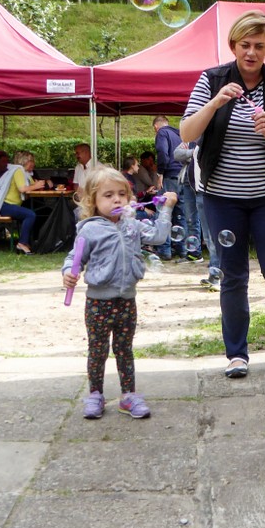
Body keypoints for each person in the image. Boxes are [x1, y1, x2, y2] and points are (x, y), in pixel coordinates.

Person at [179, 9, 265, 378]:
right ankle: (236, 355)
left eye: (259, 45)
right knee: (233, 275)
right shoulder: (212, 79)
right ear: (234, 46)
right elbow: (187, 133)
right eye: (245, 45)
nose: (251, 52)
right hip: (222, 198)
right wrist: (215, 102)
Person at [62, 168, 177, 420]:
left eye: (122, 194)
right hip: (98, 302)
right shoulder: (89, 230)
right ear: (93, 200)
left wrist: (166, 209)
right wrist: (68, 272)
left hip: (126, 301)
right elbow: (75, 257)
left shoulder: (132, 225)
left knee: (125, 349)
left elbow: (159, 236)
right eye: (108, 195)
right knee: (98, 350)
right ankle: (95, 394)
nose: (117, 199)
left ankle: (128, 396)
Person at [0, 151, 47, 255]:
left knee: (30, 214)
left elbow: (33, 187)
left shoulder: (26, 174)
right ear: (24, 161)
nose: (33, 164)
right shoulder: (18, 171)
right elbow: (22, 189)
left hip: (11, 205)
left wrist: (40, 184)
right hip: (6, 205)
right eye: (31, 161)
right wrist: (36, 186)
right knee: (30, 214)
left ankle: (26, 242)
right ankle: (22, 243)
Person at [154, 116, 185, 260]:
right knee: (181, 214)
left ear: (156, 127)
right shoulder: (178, 134)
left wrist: (160, 172)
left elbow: (162, 152)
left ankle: (164, 250)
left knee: (164, 211)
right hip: (182, 176)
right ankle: (182, 249)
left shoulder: (162, 133)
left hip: (169, 176)